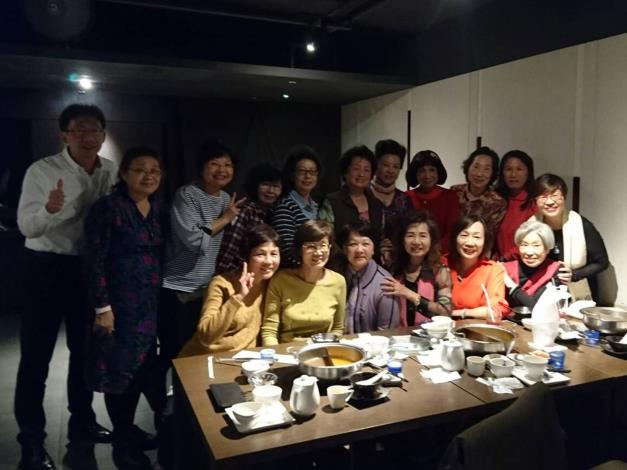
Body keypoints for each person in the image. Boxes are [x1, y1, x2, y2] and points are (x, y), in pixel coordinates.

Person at [15, 104, 115, 470]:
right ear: (64, 135)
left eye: (95, 130)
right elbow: (27, 227)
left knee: (84, 352)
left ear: (103, 134)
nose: (88, 137)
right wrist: (51, 210)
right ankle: (31, 441)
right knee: (36, 358)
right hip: (45, 266)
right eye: (80, 131)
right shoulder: (42, 171)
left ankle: (83, 421)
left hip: (85, 269)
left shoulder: (110, 170)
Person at [84, 147, 166, 469]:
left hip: (148, 307)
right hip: (119, 308)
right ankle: (122, 445)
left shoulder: (156, 207)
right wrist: (102, 308)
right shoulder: (108, 208)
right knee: (120, 376)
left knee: (144, 371)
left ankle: (131, 433)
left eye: (155, 170)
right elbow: (94, 260)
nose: (149, 176)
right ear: (123, 173)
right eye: (140, 170)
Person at [161, 139, 245, 357]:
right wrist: (225, 218)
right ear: (201, 167)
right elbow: (195, 241)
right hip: (180, 287)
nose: (222, 170)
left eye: (227, 165)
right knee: (176, 351)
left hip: (206, 288)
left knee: (200, 350)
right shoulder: (186, 195)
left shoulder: (226, 198)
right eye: (214, 164)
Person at [180, 224, 281, 356]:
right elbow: (206, 336)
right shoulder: (221, 284)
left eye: (274, 254)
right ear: (246, 257)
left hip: (245, 360)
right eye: (260, 254)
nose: (268, 261)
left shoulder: (273, 284)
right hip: (206, 358)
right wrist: (238, 297)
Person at [261, 220, 346, 345]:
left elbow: (337, 329)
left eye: (323, 245)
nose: (318, 252)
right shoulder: (281, 280)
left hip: (322, 350)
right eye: (311, 246)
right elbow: (269, 331)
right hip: (287, 350)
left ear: (329, 248)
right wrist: (276, 354)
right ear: (300, 250)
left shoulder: (338, 281)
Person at [531, 173, 608, 302]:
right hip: (542, 293)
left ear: (564, 197)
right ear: (535, 201)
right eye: (543, 197)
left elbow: (602, 262)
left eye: (555, 195)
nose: (549, 202)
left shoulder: (582, 225)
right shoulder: (531, 226)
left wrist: (575, 275)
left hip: (578, 297)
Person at [380, 211, 453, 326]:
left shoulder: (440, 272)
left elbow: (445, 313)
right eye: (410, 235)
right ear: (402, 239)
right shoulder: (393, 268)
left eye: (423, 236)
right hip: (396, 333)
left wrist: (408, 294)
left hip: (429, 334)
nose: (416, 241)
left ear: (431, 240)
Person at [318, 145, 385, 267]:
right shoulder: (332, 201)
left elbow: (380, 238)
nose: (361, 174)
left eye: (366, 170)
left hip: (371, 268)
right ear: (345, 172)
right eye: (356, 169)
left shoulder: (376, 205)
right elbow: (325, 238)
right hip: (339, 267)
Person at [215, 163, 282, 274]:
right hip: (236, 274)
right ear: (255, 186)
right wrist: (221, 276)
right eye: (265, 184)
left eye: (276, 186)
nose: (270, 190)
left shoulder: (273, 213)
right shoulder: (246, 210)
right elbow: (229, 248)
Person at [338, 222, 400, 334]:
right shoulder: (337, 276)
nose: (359, 250)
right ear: (344, 249)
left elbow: (387, 333)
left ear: (373, 249)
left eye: (365, 244)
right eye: (353, 244)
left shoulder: (385, 284)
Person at [445, 215, 507, 320]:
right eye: (464, 235)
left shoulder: (493, 269)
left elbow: (496, 310)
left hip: (475, 328)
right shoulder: (442, 263)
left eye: (476, 237)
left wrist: (459, 313)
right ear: (455, 238)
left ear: (485, 242)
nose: (470, 243)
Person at [269, 145, 322, 267]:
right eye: (302, 171)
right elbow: (286, 248)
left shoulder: (316, 206)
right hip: (293, 271)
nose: (308, 176)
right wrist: (308, 268)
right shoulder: (284, 205)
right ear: (292, 175)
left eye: (312, 172)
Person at [450, 146, 506, 254]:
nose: (479, 174)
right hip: (451, 251)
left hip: (478, 253)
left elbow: (490, 239)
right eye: (476, 167)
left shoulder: (497, 202)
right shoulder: (454, 192)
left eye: (486, 169)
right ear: (468, 168)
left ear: (493, 173)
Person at [503, 220, 567, 308]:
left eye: (536, 245)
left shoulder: (555, 270)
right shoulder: (505, 269)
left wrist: (511, 285)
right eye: (524, 245)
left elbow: (539, 307)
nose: (529, 252)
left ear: (547, 249)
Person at [369, 139, 413, 268]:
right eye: (386, 165)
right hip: (365, 261)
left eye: (396, 167)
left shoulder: (404, 199)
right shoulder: (363, 195)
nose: (391, 170)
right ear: (376, 165)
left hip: (399, 264)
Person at [405, 150, 460, 249]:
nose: (427, 175)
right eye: (422, 171)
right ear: (415, 174)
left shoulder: (450, 196)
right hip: (413, 251)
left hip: (442, 253)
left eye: (432, 170)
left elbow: (452, 232)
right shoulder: (406, 197)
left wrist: (432, 249)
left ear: (439, 172)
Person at [495, 150, 537, 260]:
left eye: (519, 169)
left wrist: (505, 258)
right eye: (508, 169)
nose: (513, 175)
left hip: (526, 263)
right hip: (497, 264)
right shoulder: (495, 200)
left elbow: (536, 240)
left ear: (528, 172)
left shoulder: (535, 202)